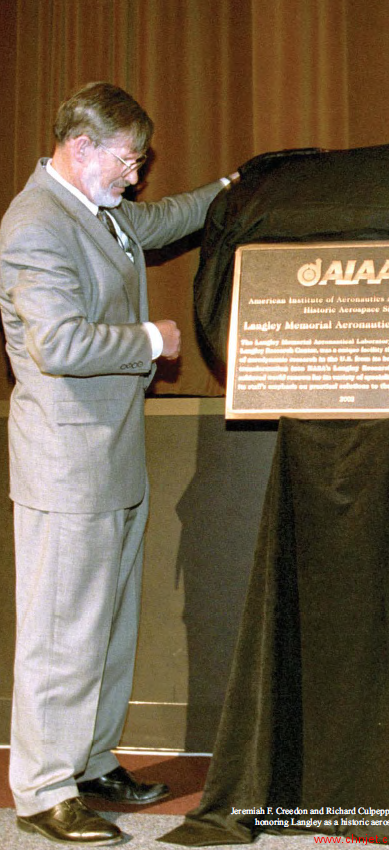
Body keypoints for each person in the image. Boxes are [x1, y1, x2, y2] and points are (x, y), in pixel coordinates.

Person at [0, 82, 238, 846]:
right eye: (129, 161)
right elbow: (58, 344)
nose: (137, 177)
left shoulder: (96, 213)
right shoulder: (36, 224)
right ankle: (41, 790)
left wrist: (236, 188)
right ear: (82, 147)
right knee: (61, 632)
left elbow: (165, 219)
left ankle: (92, 762)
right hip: (66, 466)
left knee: (105, 629)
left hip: (111, 461)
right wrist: (150, 339)